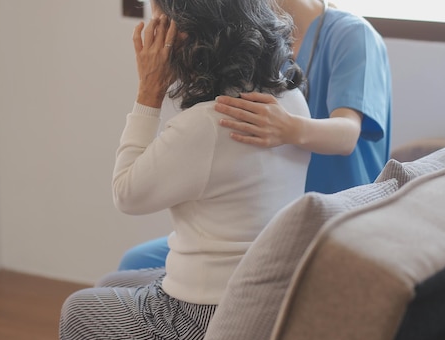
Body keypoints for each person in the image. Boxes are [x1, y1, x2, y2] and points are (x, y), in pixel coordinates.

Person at [59, 0, 310, 340]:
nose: (152, 35)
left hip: (207, 320)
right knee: (112, 281)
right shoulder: (288, 100)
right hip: (262, 298)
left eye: (160, 21)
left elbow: (127, 193)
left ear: (189, 33)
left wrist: (148, 92)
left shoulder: (209, 124)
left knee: (77, 313)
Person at [116, 0, 393, 271]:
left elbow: (347, 135)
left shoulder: (352, 35)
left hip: (332, 224)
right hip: (268, 221)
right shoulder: (255, 36)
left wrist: (289, 128)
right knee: (136, 262)